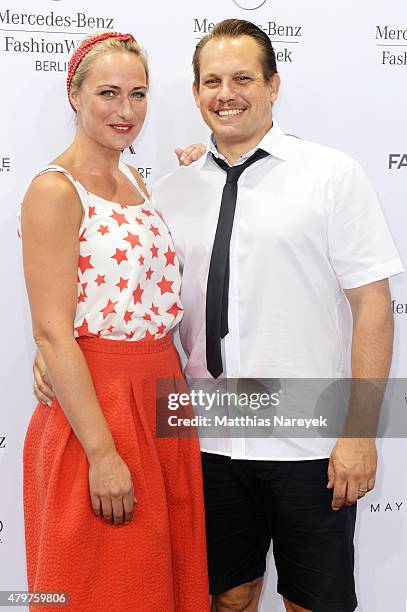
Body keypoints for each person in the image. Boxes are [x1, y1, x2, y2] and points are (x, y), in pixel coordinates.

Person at [33, 19, 404, 612]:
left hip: (308, 438)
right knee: (223, 597)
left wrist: (359, 431)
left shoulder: (331, 175)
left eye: (242, 78)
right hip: (202, 436)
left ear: (274, 85)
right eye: (211, 81)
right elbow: (122, 287)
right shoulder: (168, 192)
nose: (225, 93)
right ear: (195, 91)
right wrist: (53, 345)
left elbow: (375, 308)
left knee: (318, 601)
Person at [21, 31, 209, 611]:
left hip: (160, 395)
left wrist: (207, 167)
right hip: (97, 409)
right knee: (104, 584)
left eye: (138, 94)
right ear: (74, 97)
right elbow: (53, 330)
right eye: (108, 93)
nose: (125, 110)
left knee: (163, 581)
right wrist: (103, 454)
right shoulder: (55, 190)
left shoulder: (140, 181)